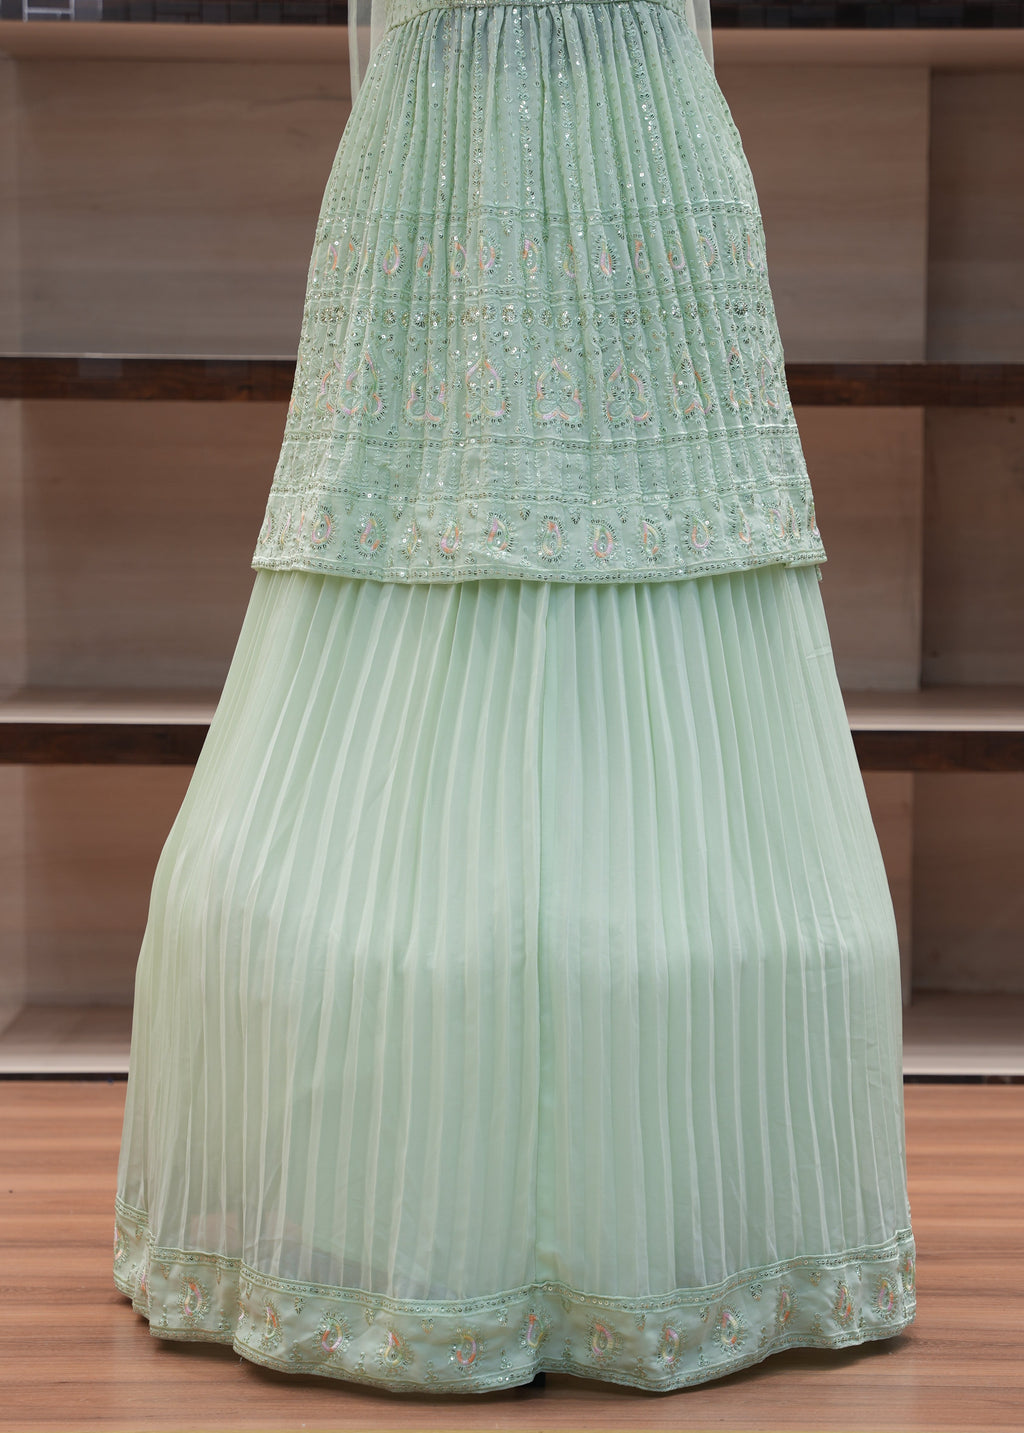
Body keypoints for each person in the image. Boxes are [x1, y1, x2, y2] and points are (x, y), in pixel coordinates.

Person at [112, 0, 916, 1393]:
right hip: (470, 139)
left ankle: (616, 1233)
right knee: (422, 535)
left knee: (623, 549)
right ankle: (496, 1225)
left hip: (592, 134)